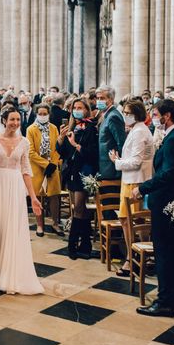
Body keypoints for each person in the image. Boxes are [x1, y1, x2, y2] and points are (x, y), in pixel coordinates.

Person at [132, 99, 174, 317]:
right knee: (173, 251)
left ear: (167, 116)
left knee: (166, 252)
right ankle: (173, 299)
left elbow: (169, 173)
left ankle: (165, 301)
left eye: (156, 114)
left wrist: (143, 188)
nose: (153, 117)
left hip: (168, 203)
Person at [0, 109, 44, 294]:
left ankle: (8, 274)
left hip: (15, 187)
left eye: (18, 119)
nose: (15, 122)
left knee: (12, 227)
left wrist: (33, 197)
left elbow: (26, 170)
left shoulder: (24, 142)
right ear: (4, 120)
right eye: (12, 119)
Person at [109, 99, 154, 277]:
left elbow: (136, 162)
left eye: (128, 113)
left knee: (127, 220)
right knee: (137, 220)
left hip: (135, 181)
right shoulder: (138, 129)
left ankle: (131, 258)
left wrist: (117, 161)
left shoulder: (139, 132)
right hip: (133, 179)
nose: (125, 116)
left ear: (137, 114)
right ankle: (143, 256)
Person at [57, 98, 99, 259]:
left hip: (84, 171)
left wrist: (76, 144)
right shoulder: (72, 126)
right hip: (72, 172)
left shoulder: (90, 128)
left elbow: (92, 153)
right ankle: (84, 245)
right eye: (75, 107)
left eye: (80, 107)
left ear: (87, 110)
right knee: (79, 209)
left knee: (80, 209)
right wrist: (61, 139)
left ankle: (73, 246)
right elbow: (63, 152)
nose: (77, 110)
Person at [27, 103, 63, 237]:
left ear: (49, 114)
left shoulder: (53, 128)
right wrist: (45, 164)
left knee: (54, 196)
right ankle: (40, 225)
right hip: (37, 166)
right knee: (37, 196)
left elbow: (57, 147)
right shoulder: (31, 129)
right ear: (36, 114)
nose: (43, 116)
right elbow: (30, 151)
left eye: (45, 114)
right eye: (40, 114)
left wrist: (52, 163)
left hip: (52, 166)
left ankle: (55, 223)